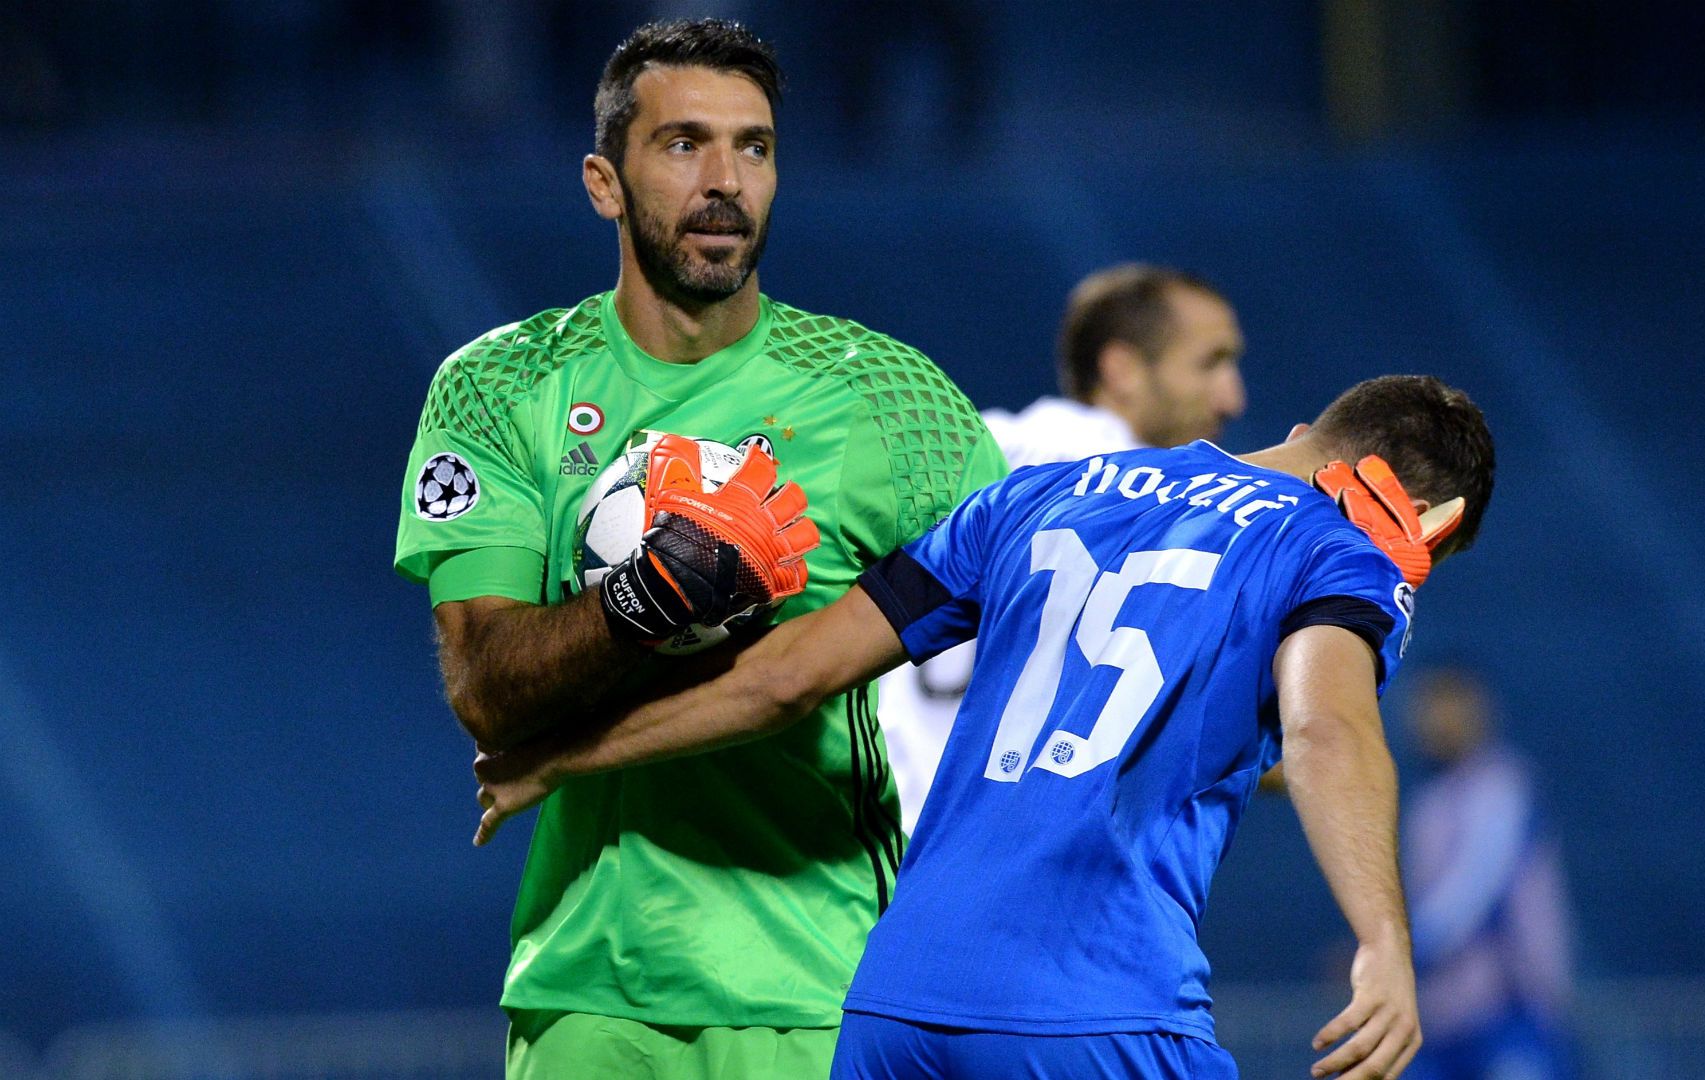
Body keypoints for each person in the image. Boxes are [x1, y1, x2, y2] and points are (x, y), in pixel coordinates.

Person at [473, 374, 1498, 1080]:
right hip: (1095, 1004)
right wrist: (1383, 943)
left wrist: (560, 757)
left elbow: (784, 677)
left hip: (895, 1008)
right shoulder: (1340, 554)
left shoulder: (1034, 496)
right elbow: (1328, 728)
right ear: (1421, 515)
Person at [391, 19, 1006, 1078]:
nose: (724, 181)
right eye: (683, 145)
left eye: (753, 148)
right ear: (603, 182)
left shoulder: (890, 397)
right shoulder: (501, 387)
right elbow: (488, 693)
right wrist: (652, 596)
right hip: (591, 990)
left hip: (825, 980)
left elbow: (1036, 619)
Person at [877, 263, 1247, 834]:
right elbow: (1202, 727)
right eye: (1211, 363)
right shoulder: (1156, 497)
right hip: (991, 857)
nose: (1232, 398)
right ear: (1122, 369)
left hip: (877, 829)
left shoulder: (974, 446)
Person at [1399, 669, 1577, 1080]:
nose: (1439, 723)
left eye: (1451, 708)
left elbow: (1472, 892)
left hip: (1510, 1016)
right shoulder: (1428, 802)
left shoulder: (1503, 785)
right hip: (1438, 1021)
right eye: (1429, 710)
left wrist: (1396, 949)